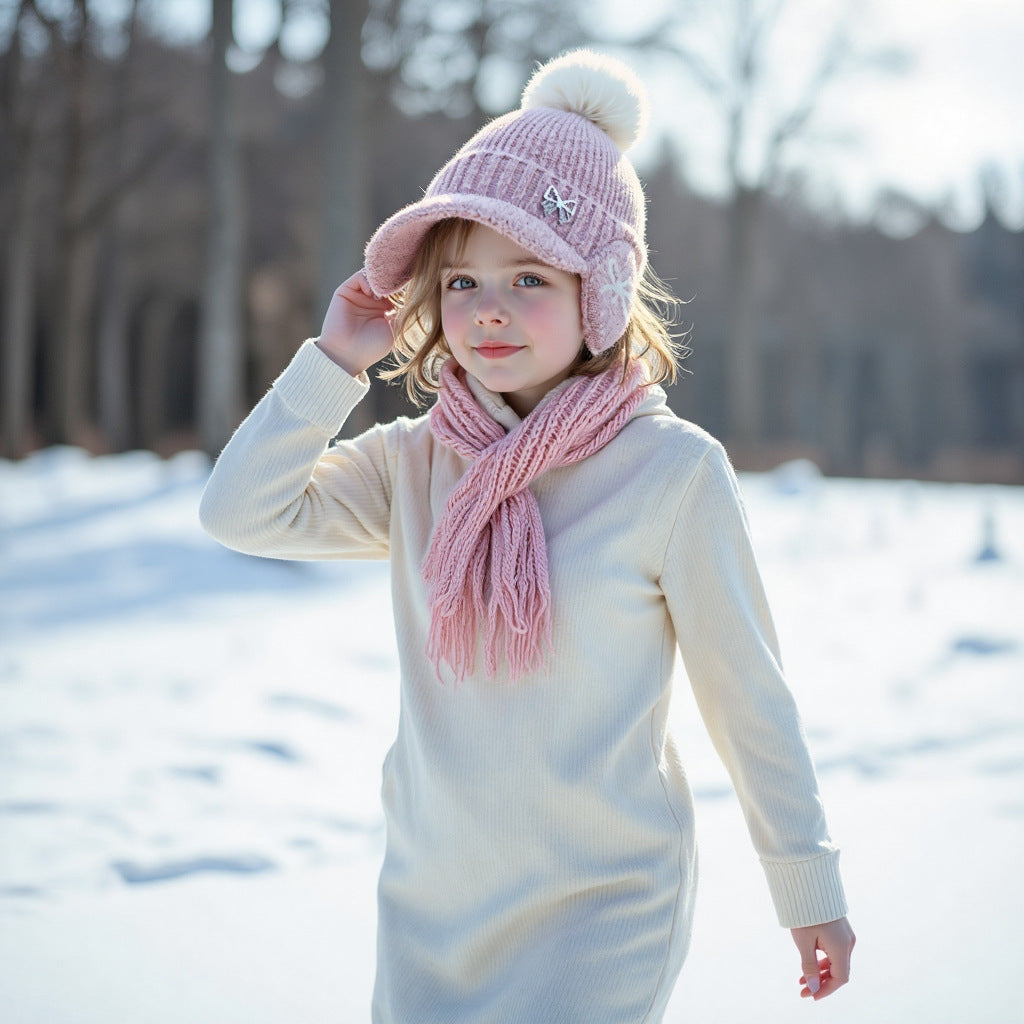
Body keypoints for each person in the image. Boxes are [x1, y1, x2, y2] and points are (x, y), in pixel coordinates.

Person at [200, 49, 854, 1024]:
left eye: (529, 276)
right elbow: (241, 510)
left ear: (599, 289)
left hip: (601, 911)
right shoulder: (416, 463)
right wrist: (334, 361)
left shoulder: (672, 474)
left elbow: (747, 700)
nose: (488, 310)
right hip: (433, 905)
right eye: (458, 282)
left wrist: (807, 889)